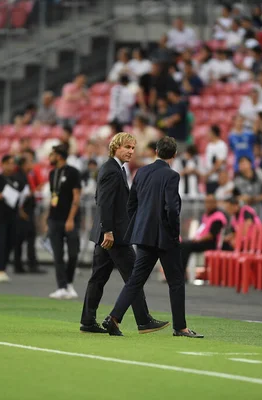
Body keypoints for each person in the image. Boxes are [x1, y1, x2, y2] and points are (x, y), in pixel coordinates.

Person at [102, 137, 203, 338]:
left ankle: (113, 318)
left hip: (144, 236)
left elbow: (132, 204)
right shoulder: (172, 176)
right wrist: (174, 233)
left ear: (156, 151)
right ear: (174, 155)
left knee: (135, 280)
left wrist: (139, 226)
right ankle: (180, 327)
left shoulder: (142, 172)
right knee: (176, 281)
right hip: (165, 237)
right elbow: (172, 209)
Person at [80, 133, 169, 334]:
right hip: (115, 236)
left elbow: (100, 198)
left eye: (132, 148)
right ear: (115, 147)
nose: (130, 151)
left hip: (108, 233)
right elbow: (104, 202)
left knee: (98, 277)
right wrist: (109, 231)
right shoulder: (112, 170)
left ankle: (87, 320)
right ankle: (143, 320)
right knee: (134, 276)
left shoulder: (114, 168)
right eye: (127, 147)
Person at [47, 144, 82, 300]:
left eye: (52, 154)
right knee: (58, 255)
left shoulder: (73, 172)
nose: (50, 157)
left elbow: (76, 197)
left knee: (73, 253)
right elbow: (53, 196)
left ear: (59, 156)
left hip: (70, 220)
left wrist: (70, 218)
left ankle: (69, 283)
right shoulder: (52, 173)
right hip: (54, 219)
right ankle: (61, 286)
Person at [0, 155, 21, 283]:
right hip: (0, 216)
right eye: (10, 163)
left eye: (13, 164)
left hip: (13, 215)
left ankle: (4, 267)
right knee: (0, 243)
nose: (12, 166)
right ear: (3, 164)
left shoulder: (15, 179)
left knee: (11, 242)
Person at [14, 153, 45, 274]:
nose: (31, 165)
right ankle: (22, 264)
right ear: (23, 164)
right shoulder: (19, 177)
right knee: (22, 239)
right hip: (24, 212)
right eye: (29, 162)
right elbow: (17, 196)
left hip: (28, 210)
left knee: (29, 237)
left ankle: (29, 263)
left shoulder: (25, 176)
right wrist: (20, 211)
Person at [180, 194, 228, 272]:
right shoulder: (206, 215)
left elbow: (212, 235)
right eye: (206, 202)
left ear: (215, 203)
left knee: (186, 246)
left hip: (211, 243)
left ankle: (181, 273)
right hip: (202, 241)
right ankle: (179, 272)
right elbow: (202, 229)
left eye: (210, 202)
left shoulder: (218, 217)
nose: (208, 204)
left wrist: (199, 239)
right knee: (183, 243)